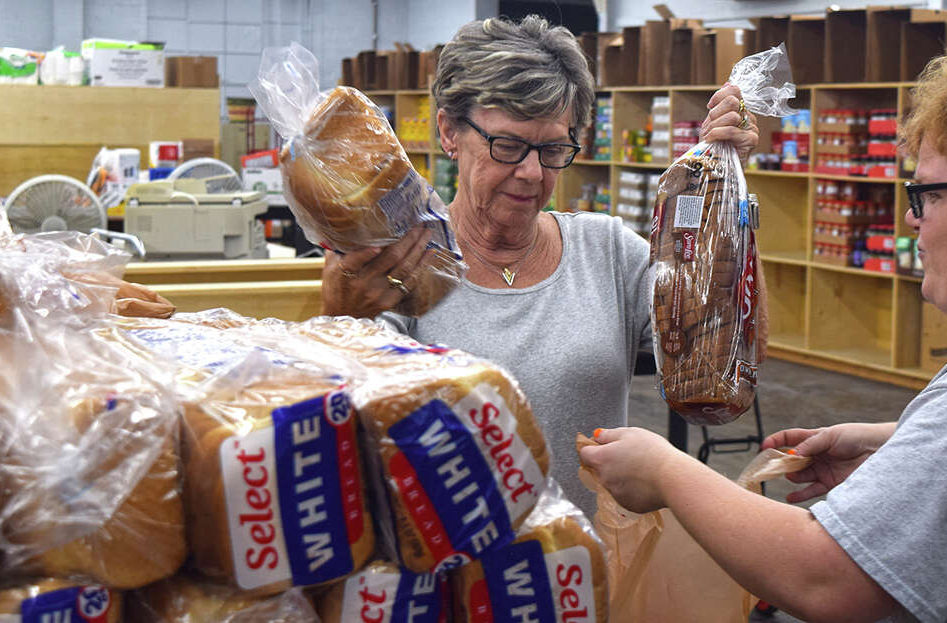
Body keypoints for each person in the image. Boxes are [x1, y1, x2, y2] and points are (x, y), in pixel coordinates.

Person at [581, 42, 947, 622]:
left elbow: (825, 577)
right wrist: (903, 445)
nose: (911, 217)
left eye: (926, 193)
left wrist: (665, 472)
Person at [319, 15, 759, 512]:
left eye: (552, 149)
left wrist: (726, 192)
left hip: (586, 571)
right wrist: (338, 320)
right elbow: (339, 446)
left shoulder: (607, 251)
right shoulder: (404, 262)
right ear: (448, 131)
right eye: (507, 145)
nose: (531, 173)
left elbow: (720, 357)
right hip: (450, 575)